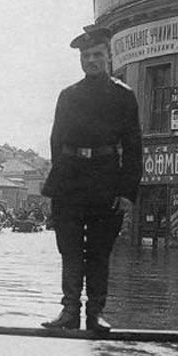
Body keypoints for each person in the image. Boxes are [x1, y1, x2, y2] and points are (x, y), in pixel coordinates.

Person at [40, 25, 142, 334]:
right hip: (70, 182)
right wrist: (58, 184)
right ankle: (69, 311)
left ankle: (95, 313)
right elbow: (56, 142)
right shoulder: (68, 96)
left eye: (97, 55)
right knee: (69, 249)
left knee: (99, 251)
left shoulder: (123, 97)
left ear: (109, 57)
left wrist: (127, 192)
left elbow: (135, 147)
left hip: (105, 181)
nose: (91, 61)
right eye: (86, 56)